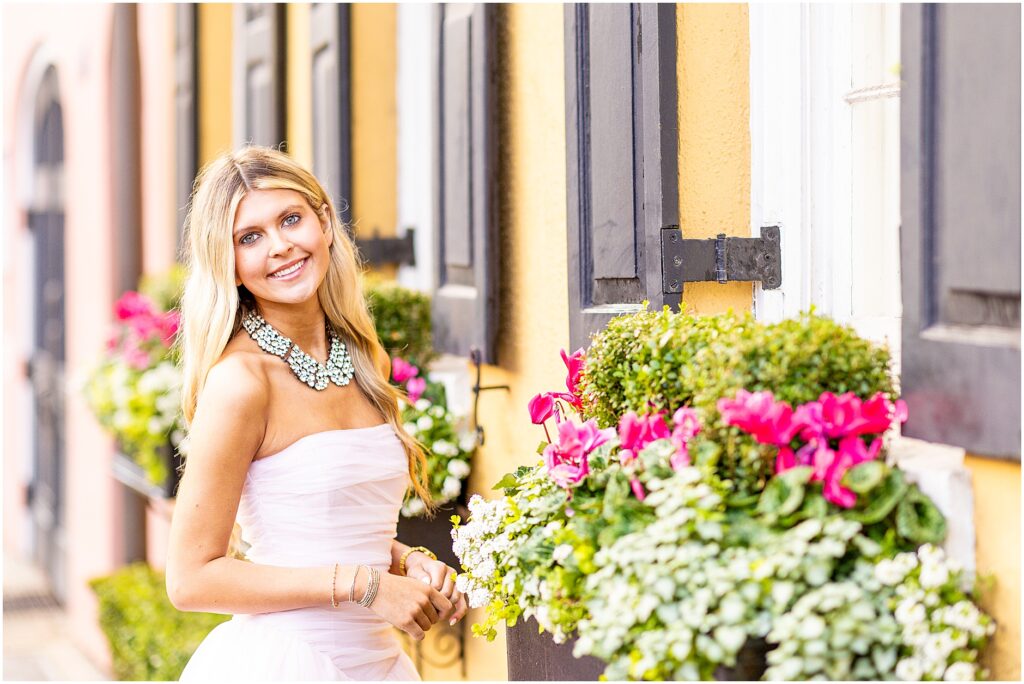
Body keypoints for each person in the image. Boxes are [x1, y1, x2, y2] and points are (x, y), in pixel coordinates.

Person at [166, 146, 467, 681]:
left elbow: (323, 524)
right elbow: (190, 579)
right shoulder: (242, 383)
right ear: (229, 264)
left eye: (290, 219)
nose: (280, 247)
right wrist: (366, 584)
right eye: (249, 237)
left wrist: (405, 562)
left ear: (324, 221)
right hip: (286, 662)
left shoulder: (361, 358)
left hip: (377, 664)